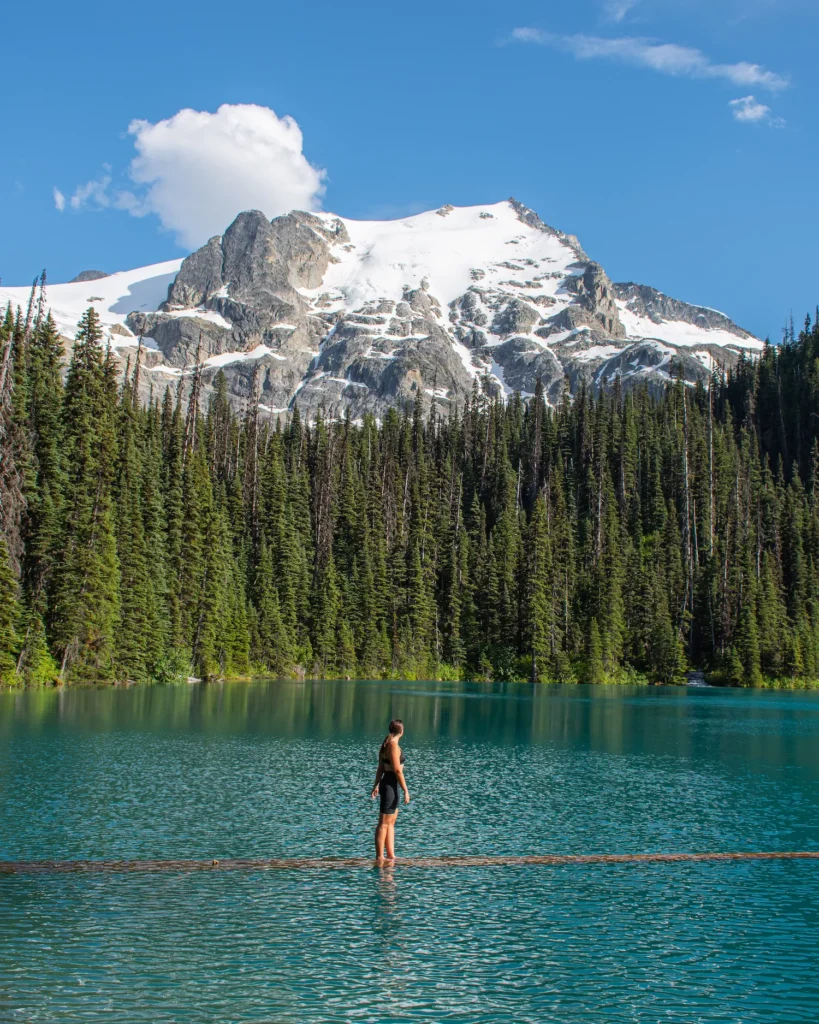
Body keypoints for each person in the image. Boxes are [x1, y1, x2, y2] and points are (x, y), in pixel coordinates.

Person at [371, 719, 410, 860]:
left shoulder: (386, 744)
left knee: (391, 822)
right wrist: (406, 790)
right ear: (401, 731)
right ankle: (380, 856)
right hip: (389, 784)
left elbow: (380, 768)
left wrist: (376, 785)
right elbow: (397, 770)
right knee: (383, 823)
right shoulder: (392, 746)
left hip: (392, 784)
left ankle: (391, 855)